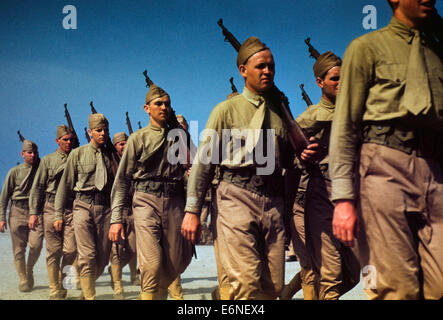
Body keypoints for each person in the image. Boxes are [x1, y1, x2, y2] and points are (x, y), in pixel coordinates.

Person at [181, 36, 314, 299]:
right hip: (235, 198)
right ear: (243, 71)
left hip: (273, 202)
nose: (268, 71)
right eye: (260, 66)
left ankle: (222, 297)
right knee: (247, 285)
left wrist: (305, 155)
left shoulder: (281, 114)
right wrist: (192, 209)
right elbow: (203, 163)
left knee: (272, 288)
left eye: (271, 66)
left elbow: (289, 163)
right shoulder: (226, 110)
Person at [329, 0, 443, 300]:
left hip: (437, 173)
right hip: (384, 168)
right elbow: (345, 125)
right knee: (395, 289)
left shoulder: (439, 53)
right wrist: (343, 198)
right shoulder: (367, 48)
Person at [109, 83, 193, 300]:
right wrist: (116, 219)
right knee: (152, 265)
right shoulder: (138, 138)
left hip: (174, 202)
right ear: (147, 108)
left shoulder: (180, 138)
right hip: (145, 201)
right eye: (158, 104)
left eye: (167, 104)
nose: (163, 108)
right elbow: (122, 181)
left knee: (175, 264)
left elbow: (193, 169)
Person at [293, 51, 360, 300]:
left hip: (353, 198)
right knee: (330, 274)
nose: (341, 83)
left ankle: (290, 290)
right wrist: (303, 157)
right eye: (334, 79)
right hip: (320, 196)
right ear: (319, 82)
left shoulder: (357, 113)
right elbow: (285, 158)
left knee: (353, 273)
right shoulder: (308, 119)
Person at [55, 113, 115, 300]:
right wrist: (58, 214)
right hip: (82, 206)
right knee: (87, 256)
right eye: (98, 130)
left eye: (105, 130)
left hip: (105, 209)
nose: (103, 133)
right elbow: (64, 186)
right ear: (90, 132)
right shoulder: (77, 154)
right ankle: (90, 296)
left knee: (103, 258)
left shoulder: (112, 157)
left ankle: (83, 291)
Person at [29, 125, 77, 299]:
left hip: (70, 208)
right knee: (53, 251)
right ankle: (54, 289)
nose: (69, 143)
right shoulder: (48, 161)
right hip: (49, 208)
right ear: (57, 141)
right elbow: (38, 187)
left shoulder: (76, 157)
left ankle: (62, 280)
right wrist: (33, 213)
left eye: (71, 140)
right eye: (65, 140)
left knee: (71, 250)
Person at [0, 140, 43, 292]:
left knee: (36, 245)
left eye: (35, 153)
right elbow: (4, 197)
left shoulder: (41, 169)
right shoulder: (14, 172)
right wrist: (1, 218)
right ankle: (23, 278)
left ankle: (28, 269)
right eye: (29, 153)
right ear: (22, 154)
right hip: (17, 211)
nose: (32, 155)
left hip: (36, 212)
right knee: (19, 249)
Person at [107, 132, 139, 300]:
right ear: (115, 147)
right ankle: (118, 284)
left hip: (134, 211)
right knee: (117, 249)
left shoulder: (135, 161)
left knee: (134, 248)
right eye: (121, 144)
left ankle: (124, 272)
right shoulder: (110, 163)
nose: (124, 146)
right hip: (116, 211)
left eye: (127, 143)